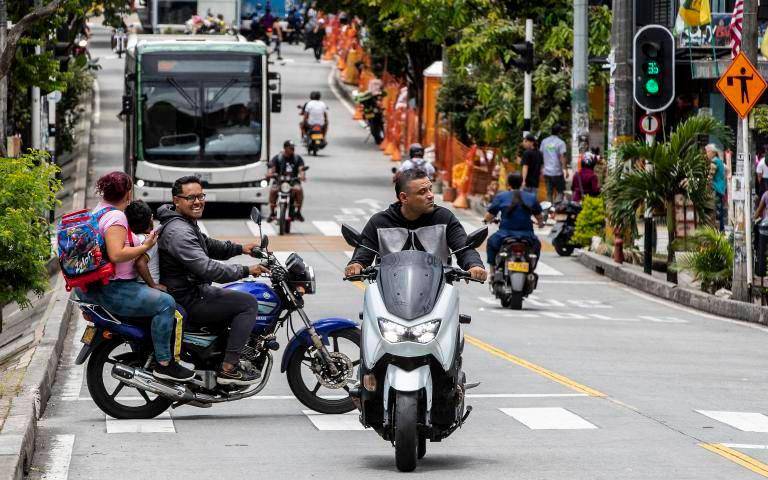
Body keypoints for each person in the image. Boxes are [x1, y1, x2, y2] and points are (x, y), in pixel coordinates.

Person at [76, 172, 195, 382]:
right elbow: (116, 254)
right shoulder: (116, 217)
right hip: (113, 288)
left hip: (97, 285)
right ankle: (165, 363)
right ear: (128, 193)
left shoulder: (99, 211)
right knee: (166, 303)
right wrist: (146, 246)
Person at [157, 176, 271, 385]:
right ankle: (228, 368)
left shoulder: (181, 222)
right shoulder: (179, 231)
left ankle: (213, 354)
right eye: (191, 197)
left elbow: (206, 245)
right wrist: (246, 270)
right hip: (188, 295)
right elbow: (206, 268)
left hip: (190, 289)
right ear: (176, 200)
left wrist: (240, 248)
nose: (198, 201)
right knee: (247, 303)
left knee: (232, 298)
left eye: (201, 196)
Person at [344, 168, 487, 281]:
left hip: (437, 292)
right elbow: (364, 252)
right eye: (422, 192)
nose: (430, 195)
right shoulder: (379, 222)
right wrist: (356, 265)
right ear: (404, 197)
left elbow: (464, 247)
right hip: (389, 293)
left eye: (430, 189)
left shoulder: (444, 218)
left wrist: (474, 265)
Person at [483, 172, 545, 273]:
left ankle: (492, 272)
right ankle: (531, 269)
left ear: (508, 184)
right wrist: (541, 224)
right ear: (522, 183)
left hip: (504, 234)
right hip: (527, 235)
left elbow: (489, 216)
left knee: (491, 243)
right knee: (537, 246)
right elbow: (539, 217)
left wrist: (486, 220)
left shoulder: (501, 197)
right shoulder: (531, 197)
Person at [124, 200, 164, 291]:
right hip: (148, 287)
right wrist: (153, 285)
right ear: (151, 218)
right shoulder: (150, 241)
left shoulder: (132, 239)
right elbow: (140, 263)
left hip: (134, 285)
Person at [268, 140, 307, 222]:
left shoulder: (297, 158)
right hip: (279, 182)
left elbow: (301, 169)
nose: (293, 149)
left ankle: (298, 212)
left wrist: (302, 176)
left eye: (293, 147)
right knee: (273, 190)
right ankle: (272, 212)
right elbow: (272, 169)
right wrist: (270, 174)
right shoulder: (278, 158)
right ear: (285, 148)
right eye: (291, 147)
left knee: (299, 190)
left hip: (293, 181)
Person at [540, 124, 569, 204]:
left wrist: (541, 168)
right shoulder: (561, 143)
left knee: (549, 193)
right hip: (557, 172)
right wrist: (565, 170)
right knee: (560, 191)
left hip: (547, 172)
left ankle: (549, 210)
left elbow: (541, 155)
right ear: (559, 132)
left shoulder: (544, 141)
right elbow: (563, 157)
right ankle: (556, 205)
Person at [706, 143, 727, 231]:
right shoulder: (719, 161)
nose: (706, 154)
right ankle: (721, 230)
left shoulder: (714, 162)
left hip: (716, 189)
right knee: (719, 210)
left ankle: (720, 230)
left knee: (717, 211)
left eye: (708, 152)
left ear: (713, 152)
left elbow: (710, 176)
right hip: (721, 188)